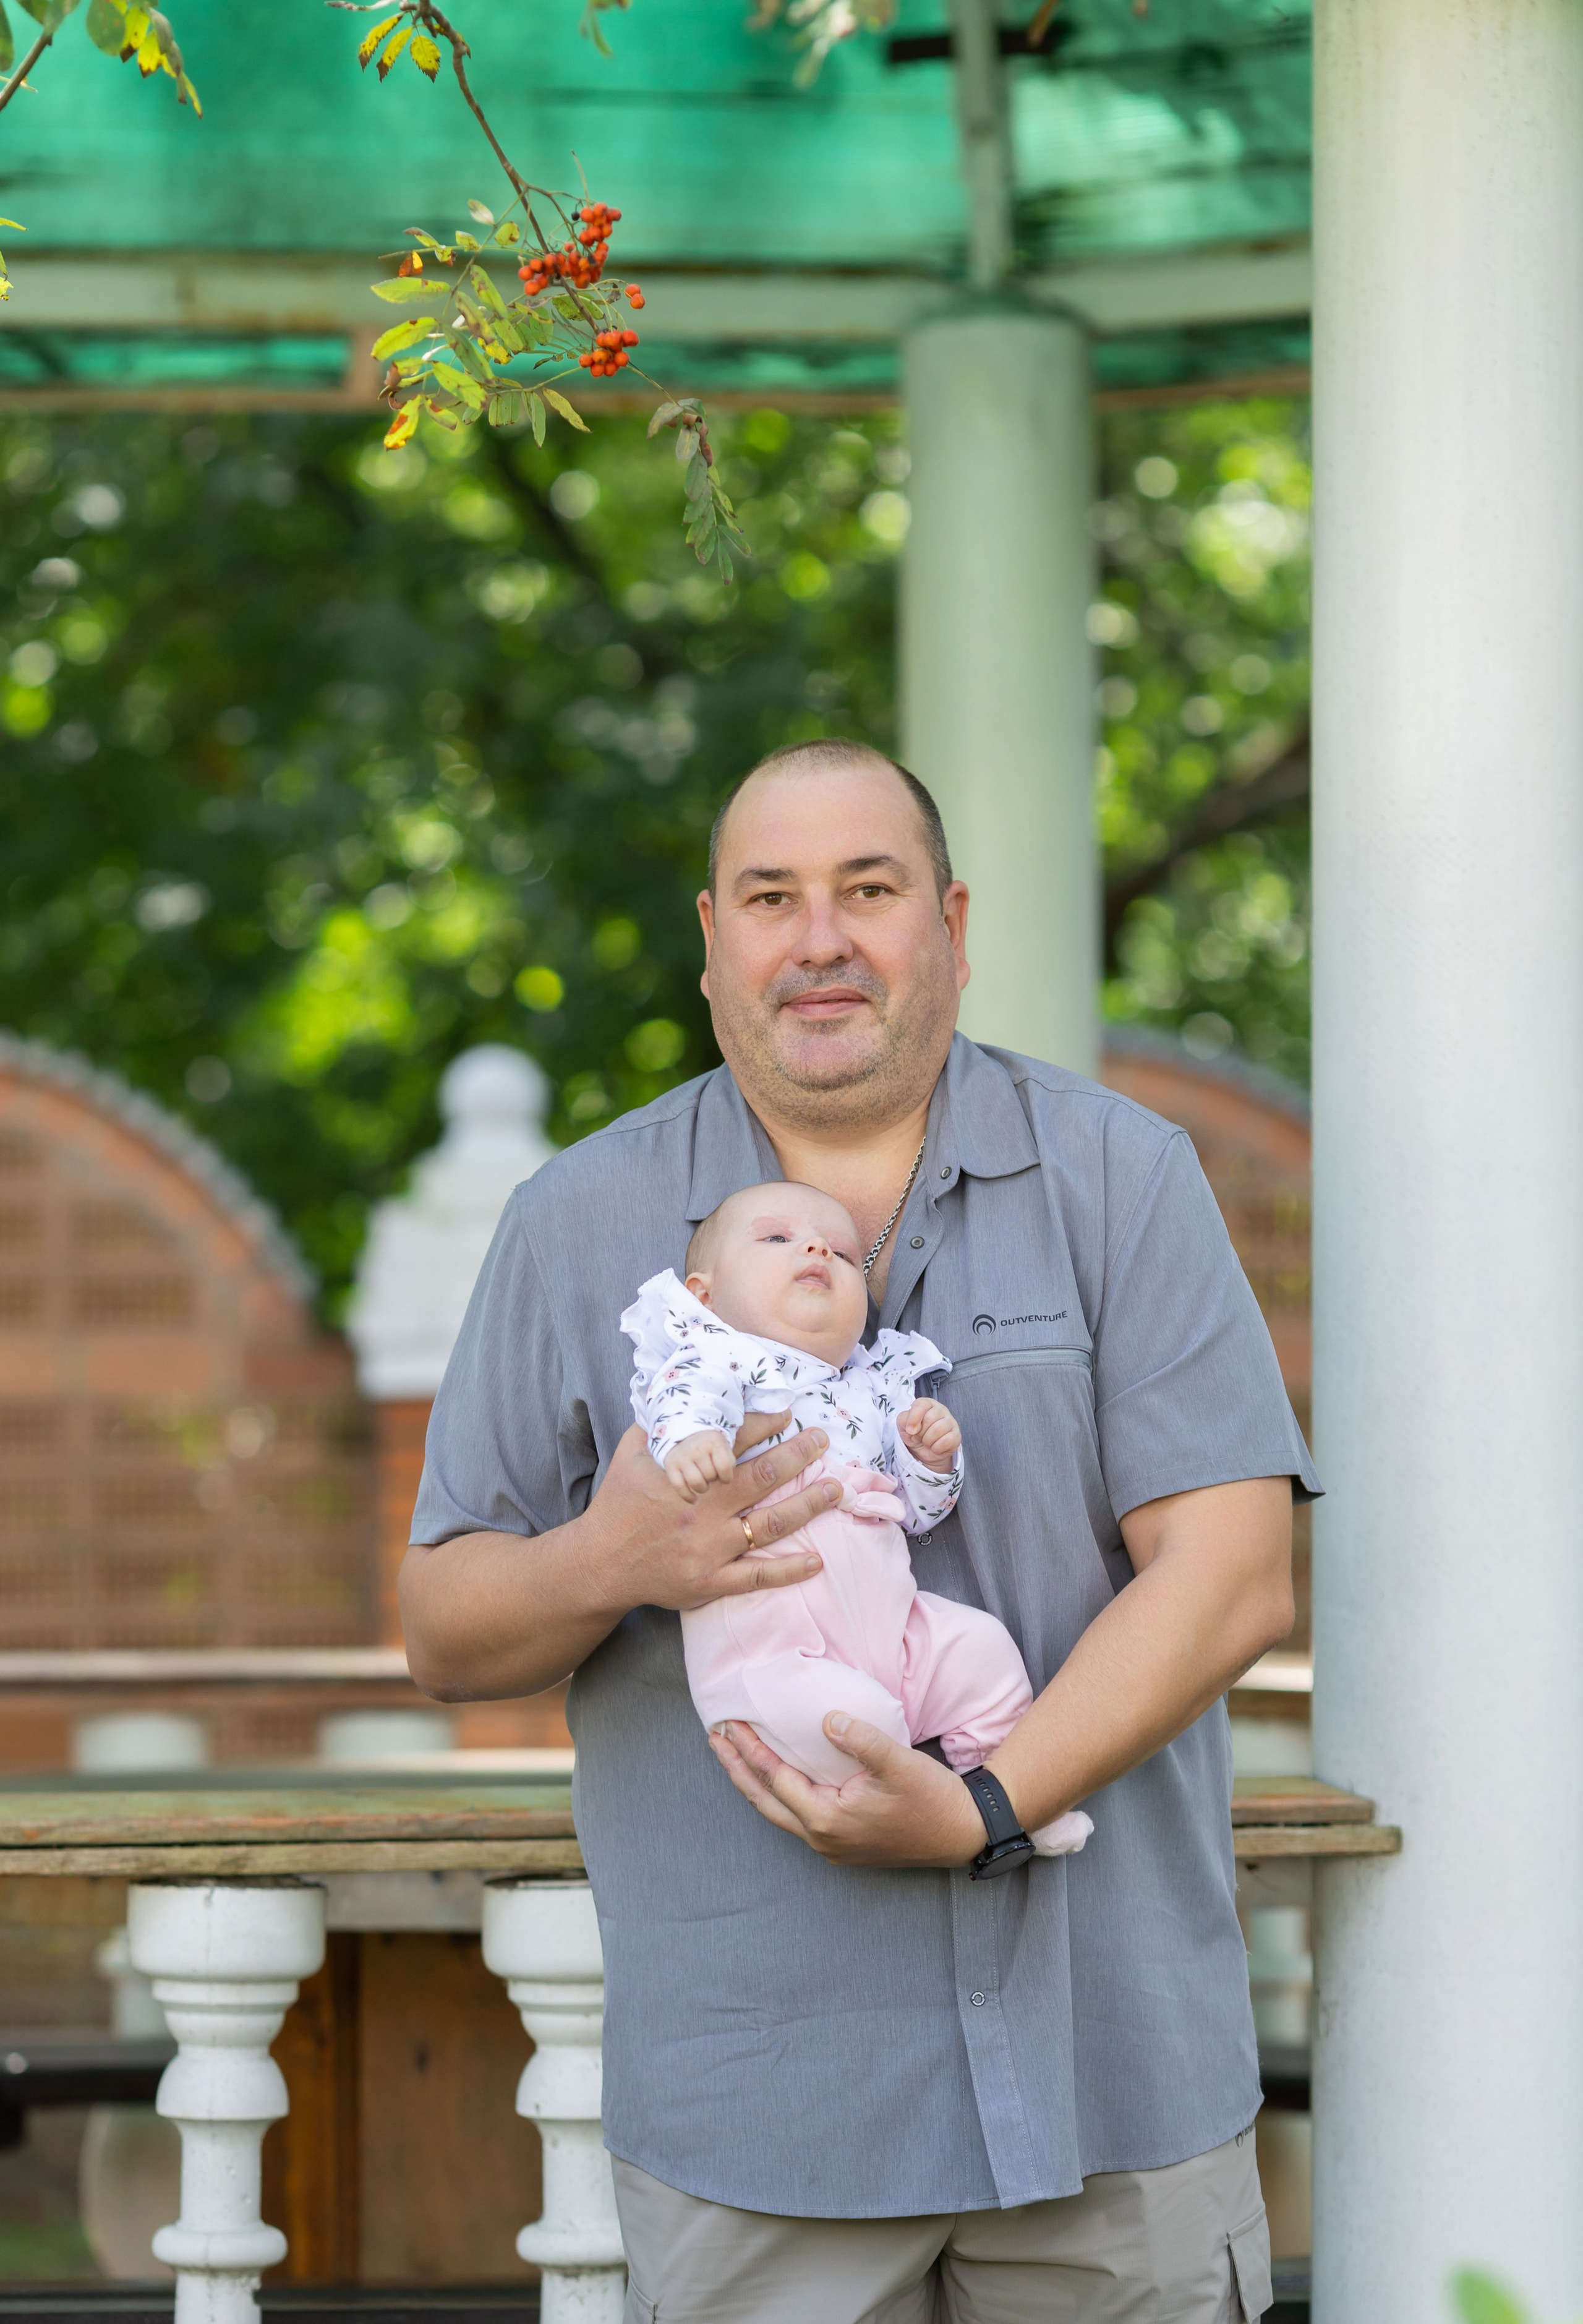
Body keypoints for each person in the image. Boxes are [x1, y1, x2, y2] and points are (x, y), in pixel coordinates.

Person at [402, 738, 1318, 2324]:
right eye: (771, 896)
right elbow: (441, 1625)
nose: (817, 936)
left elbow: (1231, 1575)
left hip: (1113, 2090)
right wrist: (610, 1556)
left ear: (949, 924)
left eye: (866, 889)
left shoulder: (1119, 1179)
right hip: (764, 2118)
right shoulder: (576, 1223)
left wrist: (984, 1802)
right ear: (712, 943)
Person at [621, 1186, 1092, 1856]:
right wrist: (694, 1439)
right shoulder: (717, 1357)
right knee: (853, 1722)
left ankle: (1013, 1787)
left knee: (979, 1650)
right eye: (777, 1238)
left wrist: (929, 1459)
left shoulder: (869, 1390)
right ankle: (899, 1789)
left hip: (892, 1628)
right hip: (774, 1650)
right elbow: (678, 1398)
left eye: (842, 1252)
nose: (816, 1247)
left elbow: (919, 1512)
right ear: (702, 1298)